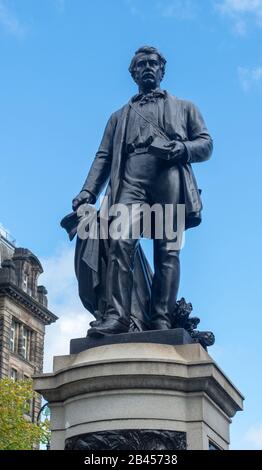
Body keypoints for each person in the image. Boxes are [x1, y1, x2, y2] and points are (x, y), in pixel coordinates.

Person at [71, 46, 213, 336]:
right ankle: (118, 316)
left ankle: (161, 318)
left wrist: (182, 148)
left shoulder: (185, 107)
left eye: (153, 63)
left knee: (168, 250)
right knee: (119, 242)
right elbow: (103, 156)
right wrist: (88, 192)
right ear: (133, 73)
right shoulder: (119, 116)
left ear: (162, 70)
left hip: (168, 175)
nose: (148, 67)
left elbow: (206, 144)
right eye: (141, 64)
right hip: (131, 178)